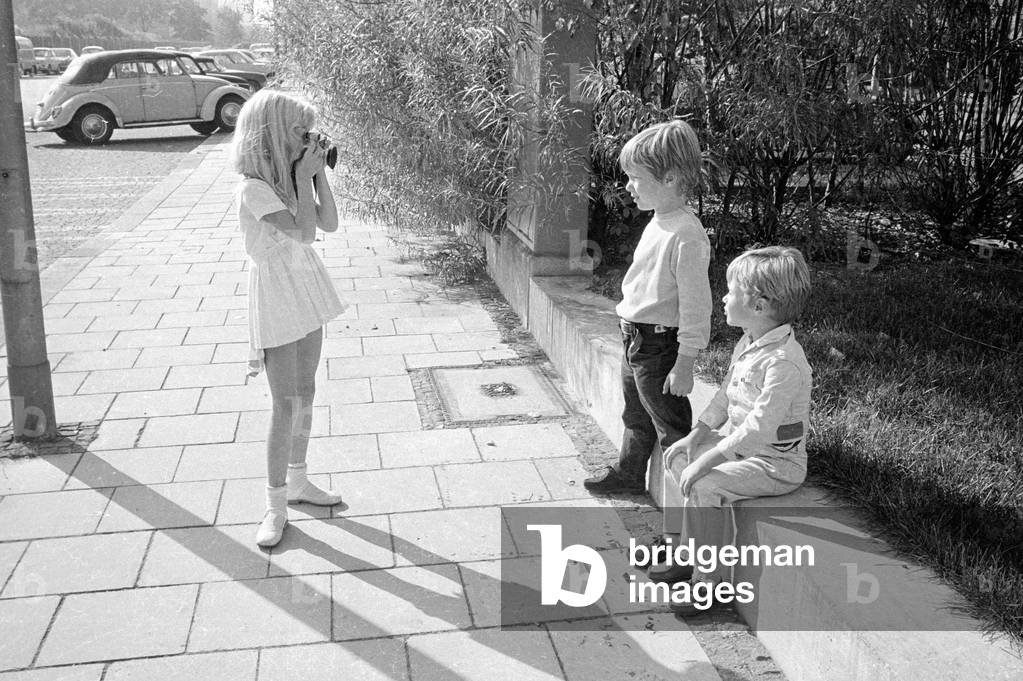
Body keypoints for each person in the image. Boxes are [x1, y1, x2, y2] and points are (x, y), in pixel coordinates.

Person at [650, 246, 813, 616]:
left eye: (731, 291)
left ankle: (708, 582)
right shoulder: (749, 341)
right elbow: (725, 395)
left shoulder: (784, 363)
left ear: (759, 306)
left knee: (705, 484)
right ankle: (686, 552)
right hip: (739, 446)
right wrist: (696, 436)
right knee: (677, 456)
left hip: (774, 463)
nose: (723, 298)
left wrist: (708, 460)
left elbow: (757, 430)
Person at [231, 89, 346, 547]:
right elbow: (303, 232)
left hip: (305, 285)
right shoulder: (253, 188)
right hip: (277, 293)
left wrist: (317, 176)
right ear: (274, 135)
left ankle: (298, 481)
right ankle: (275, 505)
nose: (307, 140)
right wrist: (302, 175)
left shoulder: (287, 181)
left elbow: (328, 223)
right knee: (285, 403)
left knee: (307, 391)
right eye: (300, 133)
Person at [584, 120, 712, 494]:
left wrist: (685, 362)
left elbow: (696, 305)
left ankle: (685, 499)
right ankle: (629, 474)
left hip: (658, 345)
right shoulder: (659, 220)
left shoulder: (687, 235)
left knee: (670, 423)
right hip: (635, 339)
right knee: (635, 415)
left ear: (669, 179)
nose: (628, 186)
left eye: (636, 178)